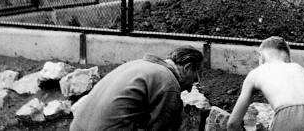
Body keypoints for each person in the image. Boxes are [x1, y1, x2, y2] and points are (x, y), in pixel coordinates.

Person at [69, 46, 204, 131]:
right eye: (195, 77)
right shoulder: (168, 83)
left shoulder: (139, 64)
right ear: (187, 68)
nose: (194, 84)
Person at [227, 37, 304, 131]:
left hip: (288, 116)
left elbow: (232, 123)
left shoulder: (256, 73)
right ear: (287, 58)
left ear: (261, 56)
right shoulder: (299, 69)